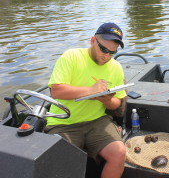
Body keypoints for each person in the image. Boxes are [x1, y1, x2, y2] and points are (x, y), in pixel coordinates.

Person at [45, 22, 127, 178]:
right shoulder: (71, 56)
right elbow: (56, 91)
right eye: (103, 49)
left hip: (97, 121)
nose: (106, 56)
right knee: (63, 160)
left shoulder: (116, 67)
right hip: (63, 123)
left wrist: (106, 100)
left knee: (119, 152)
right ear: (92, 40)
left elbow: (117, 102)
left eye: (112, 52)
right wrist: (90, 90)